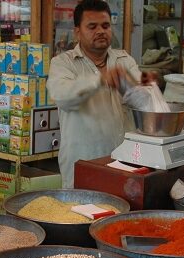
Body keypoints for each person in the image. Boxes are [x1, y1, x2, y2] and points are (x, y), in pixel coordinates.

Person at [47, 0, 155, 188]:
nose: (100, 31)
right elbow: (62, 96)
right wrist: (99, 80)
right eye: (92, 26)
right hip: (83, 164)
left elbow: (147, 99)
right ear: (77, 31)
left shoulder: (125, 59)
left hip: (124, 162)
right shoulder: (62, 63)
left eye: (105, 26)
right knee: (84, 214)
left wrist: (135, 83)